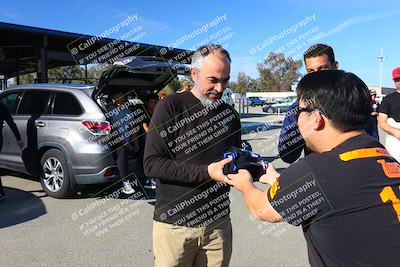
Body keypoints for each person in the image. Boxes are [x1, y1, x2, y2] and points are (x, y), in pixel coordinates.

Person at [220, 70, 400, 266]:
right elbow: (339, 193)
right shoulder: (380, 154)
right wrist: (275, 179)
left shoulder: (317, 168)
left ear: (316, 119)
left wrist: (245, 183)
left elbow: (262, 210)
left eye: (299, 112)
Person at [144, 44, 241, 267]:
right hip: (175, 227)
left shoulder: (229, 115)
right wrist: (207, 172)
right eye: (213, 80)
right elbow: (152, 164)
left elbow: (235, 159)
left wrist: (257, 169)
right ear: (193, 74)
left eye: (225, 80)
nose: (220, 88)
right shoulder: (170, 107)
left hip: (218, 227)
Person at [278, 44, 339, 163]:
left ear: (335, 66)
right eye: (311, 71)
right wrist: (302, 116)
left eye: (323, 69)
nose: (317, 76)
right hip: (319, 176)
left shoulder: (353, 98)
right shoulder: (299, 108)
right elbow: (287, 155)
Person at [107, 90, 139, 195]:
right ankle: (126, 184)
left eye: (122, 96)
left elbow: (132, 128)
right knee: (122, 153)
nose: (120, 99)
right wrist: (128, 145)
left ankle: (150, 178)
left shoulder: (127, 111)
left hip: (127, 141)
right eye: (118, 96)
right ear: (113, 99)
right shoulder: (110, 110)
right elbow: (114, 131)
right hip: (115, 140)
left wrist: (136, 144)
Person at [0, 102, 24, 202]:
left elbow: (10, 122)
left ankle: (1, 193)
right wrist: (18, 138)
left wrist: (18, 138)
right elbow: (11, 122)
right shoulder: (2, 105)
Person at [378, 67, 400, 162]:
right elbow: (382, 122)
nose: (399, 81)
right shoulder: (388, 99)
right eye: (397, 79)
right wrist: (395, 132)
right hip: (394, 140)